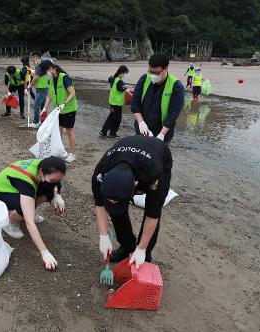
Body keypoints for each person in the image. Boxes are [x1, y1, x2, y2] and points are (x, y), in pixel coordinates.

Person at [92, 135, 172, 267]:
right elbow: (100, 203)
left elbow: (153, 215)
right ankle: (127, 246)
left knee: (153, 206)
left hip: (159, 154)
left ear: (135, 186)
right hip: (127, 151)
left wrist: (141, 248)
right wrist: (103, 235)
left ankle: (144, 253)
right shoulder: (100, 173)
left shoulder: (154, 175)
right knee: (116, 208)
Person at [0, 157, 67, 271]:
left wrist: (56, 195)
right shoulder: (26, 183)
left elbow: (54, 182)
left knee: (48, 193)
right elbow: (30, 223)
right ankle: (10, 221)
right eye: (53, 180)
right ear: (41, 172)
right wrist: (45, 253)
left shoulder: (45, 166)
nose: (56, 182)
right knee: (26, 209)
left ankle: (27, 211)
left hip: (16, 188)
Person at [131, 53, 184, 143]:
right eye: (150, 72)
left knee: (158, 155)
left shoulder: (176, 86)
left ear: (166, 69)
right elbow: (135, 103)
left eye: (157, 73)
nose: (153, 75)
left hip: (163, 131)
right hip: (143, 130)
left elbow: (173, 114)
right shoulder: (144, 79)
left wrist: (162, 134)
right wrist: (141, 123)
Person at [40, 60, 79, 163]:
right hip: (59, 110)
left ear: (52, 68)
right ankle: (59, 151)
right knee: (58, 131)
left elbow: (72, 93)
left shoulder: (64, 78)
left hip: (69, 109)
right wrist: (44, 108)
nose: (47, 73)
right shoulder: (51, 80)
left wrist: (64, 103)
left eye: (47, 70)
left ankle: (72, 154)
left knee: (69, 132)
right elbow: (49, 95)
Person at [99, 65, 129, 139]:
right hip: (116, 103)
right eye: (125, 73)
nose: (125, 75)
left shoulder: (114, 79)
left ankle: (112, 132)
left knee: (116, 118)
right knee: (113, 118)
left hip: (114, 102)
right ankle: (104, 132)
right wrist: (127, 89)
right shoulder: (119, 81)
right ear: (122, 73)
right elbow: (122, 89)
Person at [27, 52, 50, 128]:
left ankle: (36, 122)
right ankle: (44, 121)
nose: (32, 60)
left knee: (36, 106)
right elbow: (39, 74)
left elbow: (36, 77)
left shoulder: (38, 66)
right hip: (45, 87)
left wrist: (30, 85)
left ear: (35, 58)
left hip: (41, 88)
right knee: (43, 106)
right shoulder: (43, 64)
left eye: (32, 58)